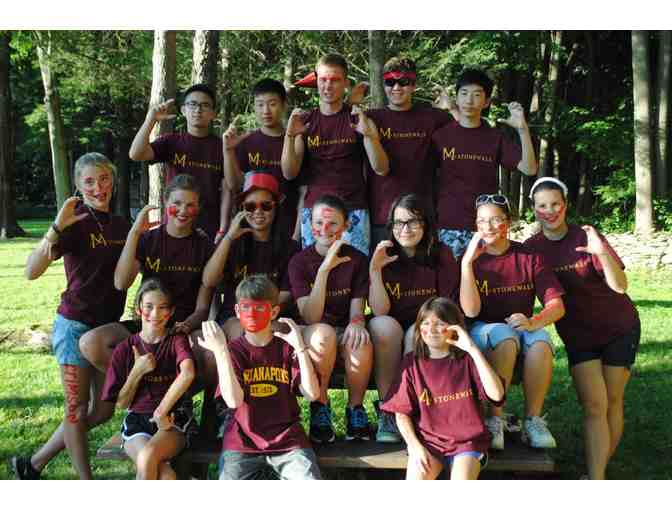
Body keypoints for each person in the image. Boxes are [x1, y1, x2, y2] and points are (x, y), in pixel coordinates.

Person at [12, 153, 130, 480]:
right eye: (89, 181)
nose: (98, 187)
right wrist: (54, 228)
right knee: (76, 410)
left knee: (103, 410)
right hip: (74, 326)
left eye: (103, 179)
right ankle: (85, 483)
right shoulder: (73, 222)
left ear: (113, 180)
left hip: (105, 330)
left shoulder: (122, 224)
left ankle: (33, 464)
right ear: (78, 185)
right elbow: (31, 271)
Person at [524, 177, 640, 479]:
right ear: (534, 209)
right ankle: (596, 476)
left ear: (565, 206)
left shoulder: (586, 236)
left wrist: (600, 253)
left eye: (555, 204)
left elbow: (620, 286)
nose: (550, 211)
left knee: (611, 401)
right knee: (593, 405)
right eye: (542, 206)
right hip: (578, 337)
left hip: (618, 328)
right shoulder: (532, 249)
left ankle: (594, 477)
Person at [80, 174, 214, 377]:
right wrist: (134, 233)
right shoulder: (149, 239)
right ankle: (140, 384)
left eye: (190, 205)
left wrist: (186, 325)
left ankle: (170, 391)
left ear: (198, 208)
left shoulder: (204, 246)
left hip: (182, 327)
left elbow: (203, 308)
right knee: (90, 342)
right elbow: (121, 283)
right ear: (165, 202)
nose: (183, 211)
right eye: (177, 203)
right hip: (146, 323)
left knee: (209, 353)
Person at [460, 194, 565, 450]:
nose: (488, 227)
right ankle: (494, 419)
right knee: (503, 335)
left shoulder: (528, 256)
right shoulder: (471, 258)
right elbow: (470, 311)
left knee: (541, 340)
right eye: (481, 221)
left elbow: (556, 306)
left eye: (495, 220)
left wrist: (533, 321)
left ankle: (533, 420)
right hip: (483, 329)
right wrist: (466, 265)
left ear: (508, 222)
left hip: (521, 327)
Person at [199, 276, 322, 480]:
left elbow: (312, 394)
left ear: (273, 312)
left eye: (259, 308)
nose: (251, 313)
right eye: (246, 307)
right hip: (242, 443)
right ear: (237, 311)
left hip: (288, 442)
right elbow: (234, 401)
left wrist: (300, 348)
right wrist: (221, 351)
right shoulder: (232, 351)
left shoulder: (287, 348)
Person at [368, 193, 460, 442]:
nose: (405, 229)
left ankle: (418, 410)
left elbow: (445, 306)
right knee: (382, 326)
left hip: (430, 323)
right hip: (393, 324)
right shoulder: (384, 254)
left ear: (425, 223)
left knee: (416, 334)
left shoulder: (441, 254)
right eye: (399, 222)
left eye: (413, 221)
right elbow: (379, 311)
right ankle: (388, 409)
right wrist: (375, 270)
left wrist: (424, 325)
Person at [381, 297, 504, 480]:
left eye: (439, 323)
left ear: (454, 327)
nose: (431, 329)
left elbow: (497, 395)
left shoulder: (467, 360)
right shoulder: (411, 363)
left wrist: (472, 349)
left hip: (467, 443)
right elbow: (401, 414)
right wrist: (415, 447)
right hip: (429, 443)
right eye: (426, 323)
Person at [281, 53, 389, 256]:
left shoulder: (357, 119)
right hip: (315, 212)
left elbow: (381, 168)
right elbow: (289, 172)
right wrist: (289, 136)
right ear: (316, 81)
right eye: (323, 79)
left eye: (335, 80)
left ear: (345, 83)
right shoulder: (305, 121)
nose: (328, 86)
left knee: (354, 272)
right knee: (316, 271)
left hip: (352, 211)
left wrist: (369, 136)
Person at [288, 194, 372, 443]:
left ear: (346, 225)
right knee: (323, 334)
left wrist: (357, 323)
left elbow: (357, 309)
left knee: (360, 341)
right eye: (318, 223)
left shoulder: (357, 259)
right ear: (310, 224)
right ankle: (320, 407)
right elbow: (310, 315)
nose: (324, 229)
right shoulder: (299, 262)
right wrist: (324, 269)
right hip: (312, 330)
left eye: (332, 223)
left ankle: (355, 409)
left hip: (342, 328)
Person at [431, 68, 538, 259]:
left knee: (488, 277)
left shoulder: (495, 137)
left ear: (487, 102)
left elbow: (529, 168)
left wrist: (523, 129)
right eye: (464, 93)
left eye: (477, 95)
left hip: (487, 228)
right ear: (457, 98)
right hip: (448, 226)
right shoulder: (441, 136)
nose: (469, 100)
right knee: (450, 277)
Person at [101, 278, 196, 480]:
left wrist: (161, 411)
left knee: (147, 457)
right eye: (149, 307)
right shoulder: (124, 349)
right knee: (166, 476)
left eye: (162, 308)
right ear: (138, 309)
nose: (155, 314)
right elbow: (121, 403)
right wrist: (137, 371)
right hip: (137, 423)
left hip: (172, 420)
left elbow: (188, 372)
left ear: (171, 311)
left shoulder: (176, 340)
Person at [364, 57, 455, 247]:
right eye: (390, 82)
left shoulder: (433, 117)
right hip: (383, 216)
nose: (396, 87)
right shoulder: (371, 118)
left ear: (413, 85)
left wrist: (452, 107)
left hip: (422, 215)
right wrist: (350, 101)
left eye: (403, 82)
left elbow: (466, 131)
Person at [203, 172, 299, 339]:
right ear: (242, 209)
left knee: (272, 330)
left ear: (276, 208)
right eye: (250, 206)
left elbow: (285, 296)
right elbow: (209, 281)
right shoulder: (231, 244)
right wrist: (229, 237)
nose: (258, 211)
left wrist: (259, 318)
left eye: (266, 206)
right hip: (235, 317)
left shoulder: (290, 247)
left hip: (273, 317)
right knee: (242, 331)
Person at [129, 83, 229, 242]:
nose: (198, 110)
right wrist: (151, 120)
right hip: (174, 226)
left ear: (213, 113)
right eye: (193, 104)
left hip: (209, 230)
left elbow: (227, 190)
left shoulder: (223, 147)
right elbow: (136, 154)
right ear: (183, 110)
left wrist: (223, 229)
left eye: (205, 105)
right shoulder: (171, 142)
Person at [222, 78, 300, 241]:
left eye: (272, 104)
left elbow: (302, 188)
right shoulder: (246, 142)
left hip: (286, 223)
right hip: (252, 223)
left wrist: (297, 232)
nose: (266, 110)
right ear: (254, 107)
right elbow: (234, 185)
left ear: (284, 105)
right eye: (260, 104)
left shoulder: (295, 140)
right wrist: (228, 151)